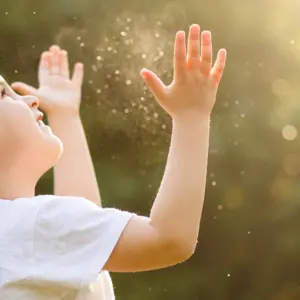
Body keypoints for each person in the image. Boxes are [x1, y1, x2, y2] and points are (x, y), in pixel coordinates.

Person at [0, 24, 226, 299]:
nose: (31, 99)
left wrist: (66, 117)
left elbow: (81, 231)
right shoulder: (33, 227)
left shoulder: (28, 232)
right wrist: (192, 117)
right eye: (3, 94)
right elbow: (169, 238)